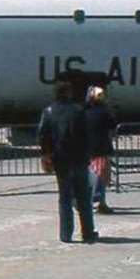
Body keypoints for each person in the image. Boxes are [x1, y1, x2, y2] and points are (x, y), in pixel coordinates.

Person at [38, 79, 98, 244]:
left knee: (64, 197)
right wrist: (88, 154)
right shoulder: (79, 110)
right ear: (68, 92)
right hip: (79, 158)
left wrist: (46, 156)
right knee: (83, 197)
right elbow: (87, 135)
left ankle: (66, 234)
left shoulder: (49, 111)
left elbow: (43, 135)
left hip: (60, 159)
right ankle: (88, 232)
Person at [85, 86, 116, 214]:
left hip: (87, 148)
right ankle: (100, 201)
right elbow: (112, 126)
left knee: (89, 175)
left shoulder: (84, 112)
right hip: (101, 148)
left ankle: (87, 200)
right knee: (101, 176)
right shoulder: (104, 112)